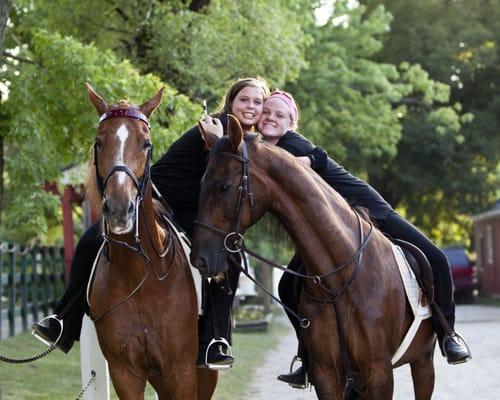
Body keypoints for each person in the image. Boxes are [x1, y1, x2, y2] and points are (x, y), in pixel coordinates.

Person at [32, 77, 272, 368]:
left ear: (263, 109)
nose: (250, 106)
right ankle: (62, 320)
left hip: (198, 212)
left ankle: (214, 339)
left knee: (231, 258)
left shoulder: (251, 140)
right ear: (231, 101)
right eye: (243, 99)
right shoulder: (217, 126)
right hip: (161, 196)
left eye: (257, 102)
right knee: (94, 238)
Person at [255, 90, 471, 388]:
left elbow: (319, 156)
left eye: (280, 115)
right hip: (332, 236)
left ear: (292, 123)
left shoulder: (290, 143)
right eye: (266, 112)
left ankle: (448, 334)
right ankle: (307, 356)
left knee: (436, 257)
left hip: (369, 211)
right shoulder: (261, 150)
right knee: (287, 285)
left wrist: (301, 162)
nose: (271, 118)